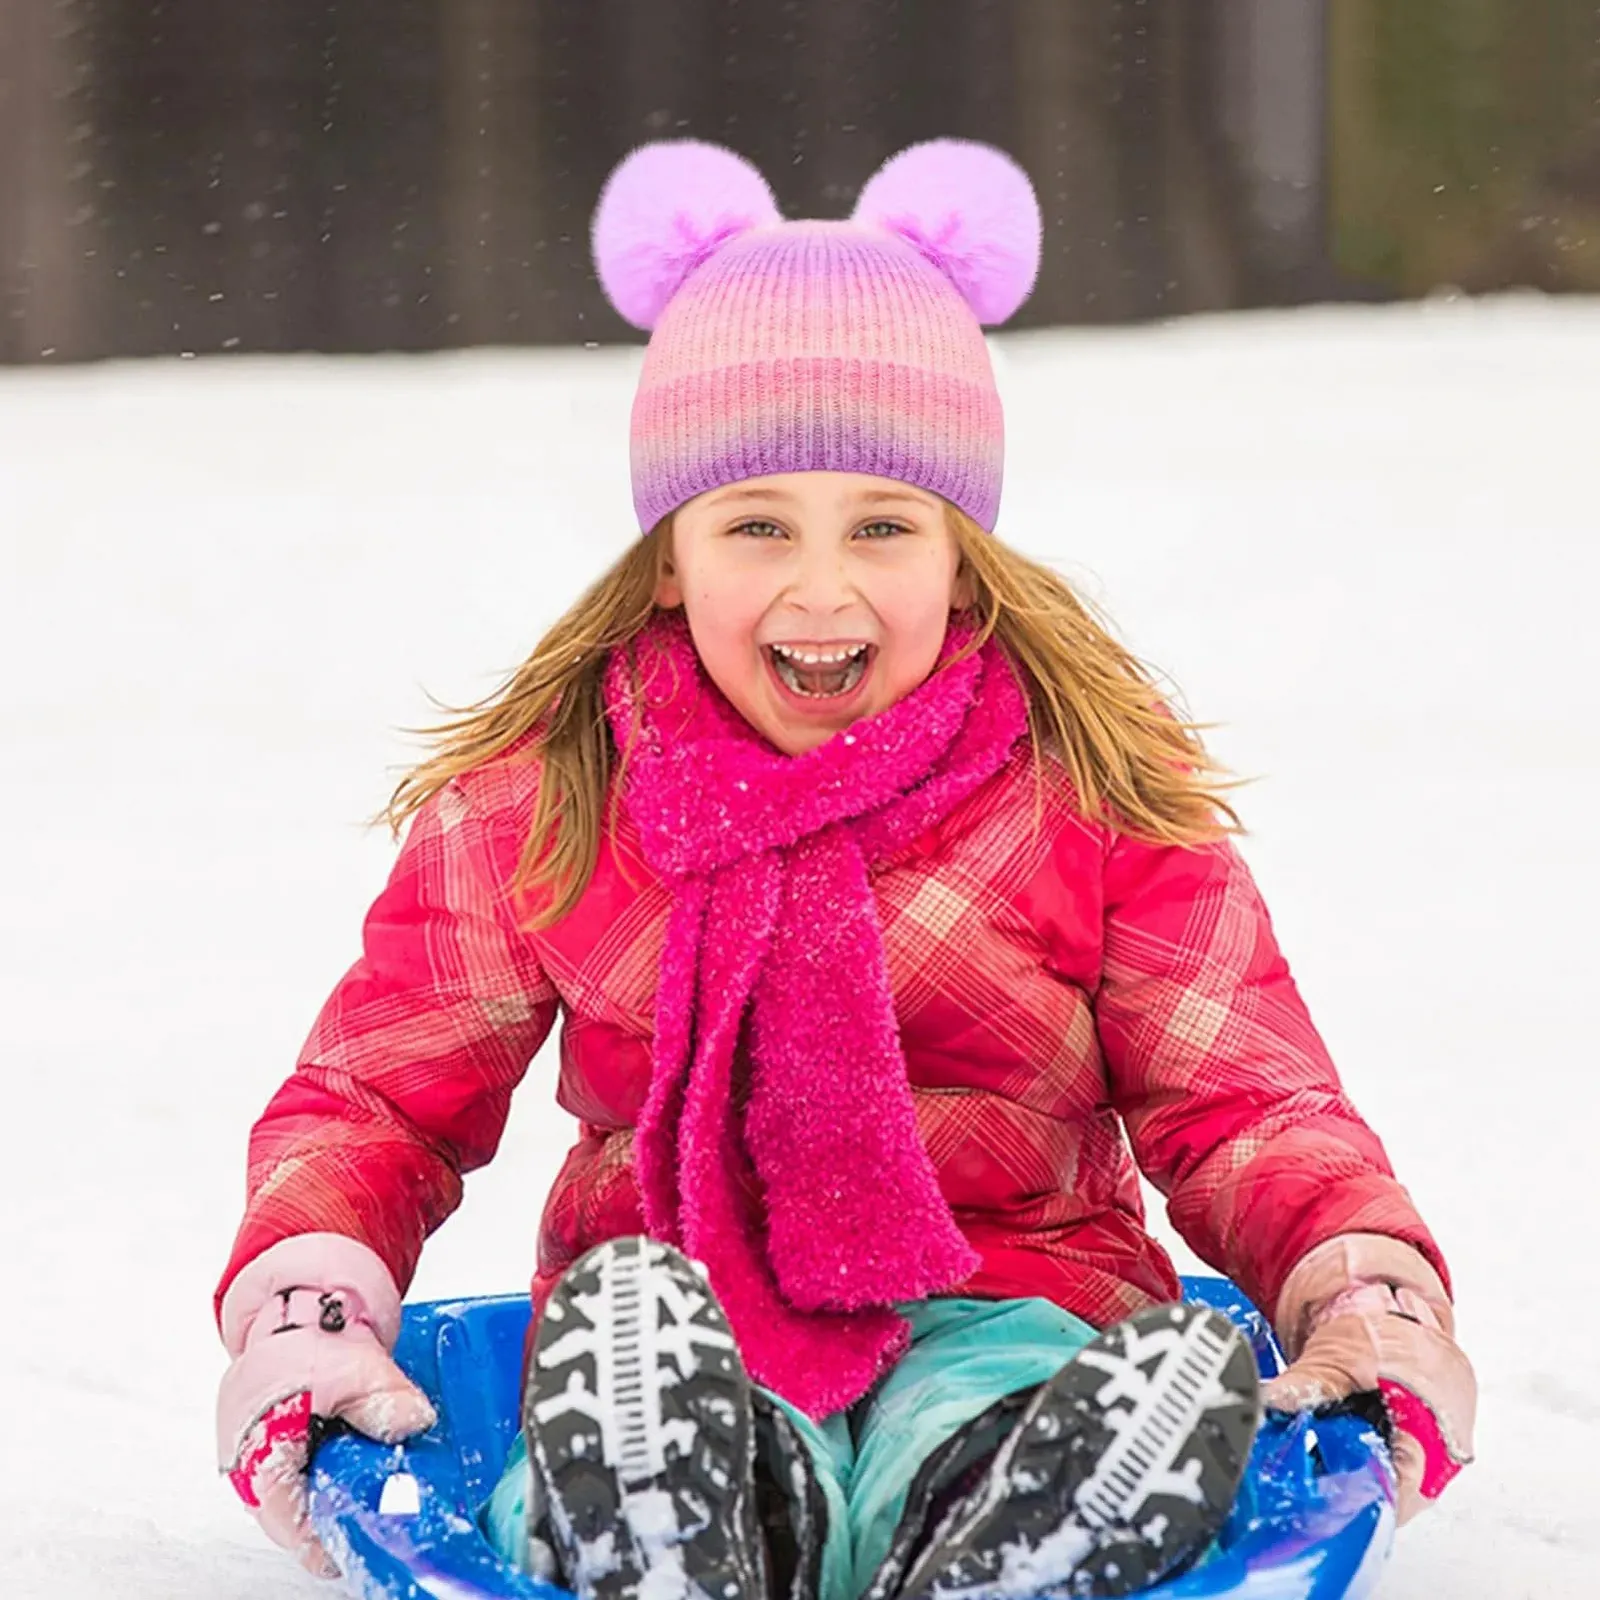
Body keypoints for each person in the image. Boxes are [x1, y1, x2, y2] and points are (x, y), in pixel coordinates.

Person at [213, 139, 1476, 1600]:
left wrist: (1360, 1287)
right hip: (674, 1318)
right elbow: (379, 1095)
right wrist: (306, 1305)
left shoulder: (1089, 791)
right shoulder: (550, 803)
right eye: (758, 525)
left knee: (989, 1386)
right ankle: (661, 1498)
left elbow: (1242, 1100)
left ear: (962, 555)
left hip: (1020, 1296)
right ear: (670, 559)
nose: (824, 588)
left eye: (884, 525)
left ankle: (1035, 1493)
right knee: (669, 1371)